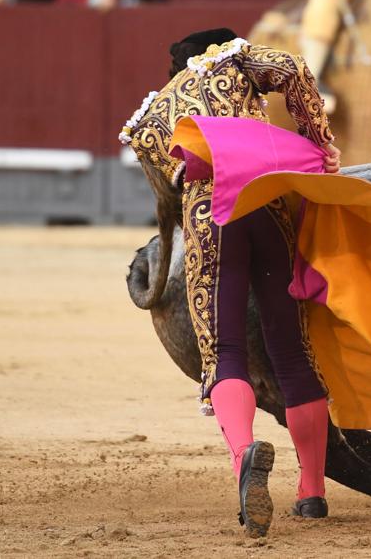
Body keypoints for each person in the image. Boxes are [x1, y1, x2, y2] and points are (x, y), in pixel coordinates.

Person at [118, 29, 341, 533]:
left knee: (224, 351)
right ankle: (312, 492)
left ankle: (245, 457)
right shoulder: (233, 63)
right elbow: (294, 70)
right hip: (265, 202)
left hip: (209, 217)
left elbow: (168, 203)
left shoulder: (151, 119)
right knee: (291, 350)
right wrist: (319, 142)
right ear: (218, 49)